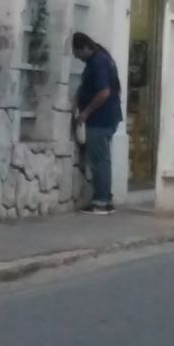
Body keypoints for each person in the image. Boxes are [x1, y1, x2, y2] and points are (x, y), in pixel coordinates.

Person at [72, 32, 123, 215]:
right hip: (108, 116)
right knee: (104, 159)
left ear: (84, 48)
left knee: (99, 160)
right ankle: (105, 199)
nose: (77, 58)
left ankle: (100, 200)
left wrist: (85, 113)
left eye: (77, 53)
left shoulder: (97, 62)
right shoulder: (102, 58)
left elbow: (103, 92)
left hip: (100, 119)